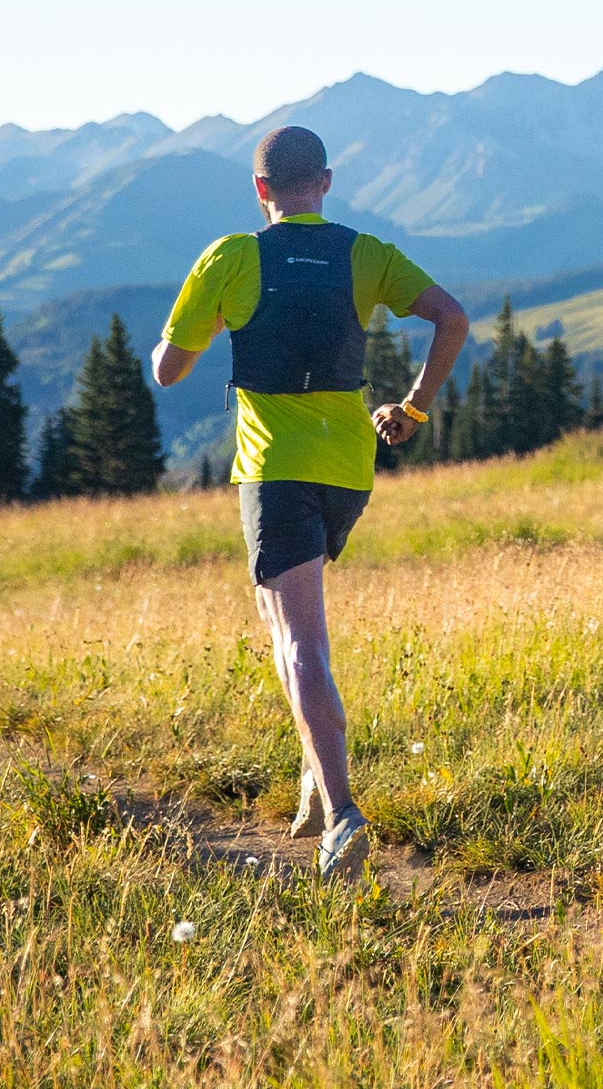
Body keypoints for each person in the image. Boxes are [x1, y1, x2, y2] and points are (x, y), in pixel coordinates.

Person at [152, 125, 468, 882]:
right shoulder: (365, 253)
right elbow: (452, 317)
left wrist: (213, 322)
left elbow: (167, 372)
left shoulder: (231, 257)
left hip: (275, 471)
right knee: (278, 622)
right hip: (349, 468)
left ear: (259, 191)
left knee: (300, 641)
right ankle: (311, 774)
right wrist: (415, 409)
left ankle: (343, 812)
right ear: (324, 182)